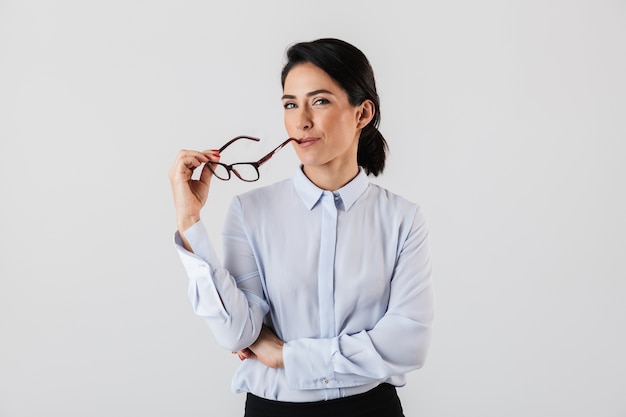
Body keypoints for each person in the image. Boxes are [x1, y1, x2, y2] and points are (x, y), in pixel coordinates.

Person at [169, 38, 434, 417]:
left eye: (320, 101)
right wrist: (189, 222)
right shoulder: (250, 211)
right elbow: (236, 333)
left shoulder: (402, 219)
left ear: (362, 114)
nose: (301, 120)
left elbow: (408, 344)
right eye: (291, 104)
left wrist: (288, 356)